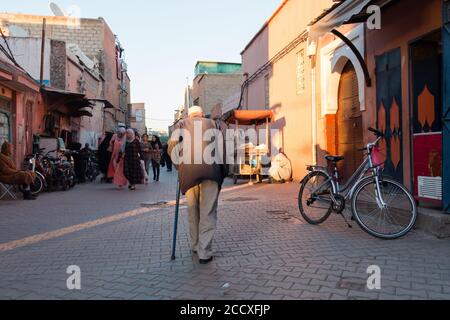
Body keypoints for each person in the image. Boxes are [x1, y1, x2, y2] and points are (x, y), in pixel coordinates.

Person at [169, 106, 227, 264]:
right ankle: (204, 252)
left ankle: (195, 245)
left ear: (189, 115)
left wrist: (179, 166)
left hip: (188, 173)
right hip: (211, 171)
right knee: (207, 211)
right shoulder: (214, 125)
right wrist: (223, 172)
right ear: (202, 114)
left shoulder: (181, 125)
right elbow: (222, 149)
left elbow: (172, 147)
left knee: (192, 211)